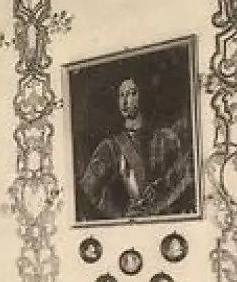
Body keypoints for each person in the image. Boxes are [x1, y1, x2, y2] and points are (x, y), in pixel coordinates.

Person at [78, 78, 195, 220]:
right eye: (121, 95)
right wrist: (120, 214)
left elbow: (184, 177)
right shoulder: (111, 147)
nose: (125, 101)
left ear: (143, 96)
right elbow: (89, 188)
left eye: (132, 93)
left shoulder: (166, 139)